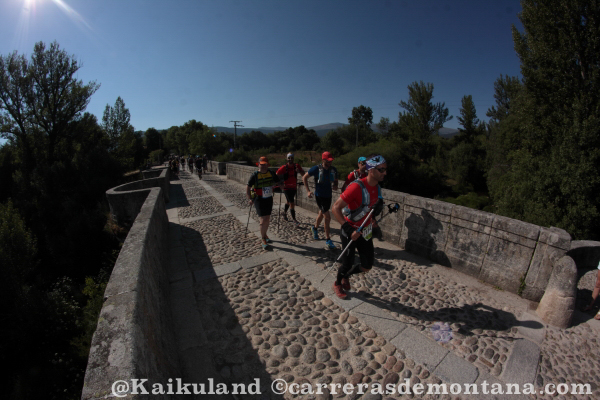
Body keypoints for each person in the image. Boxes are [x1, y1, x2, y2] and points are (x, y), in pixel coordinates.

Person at [331, 155, 387, 299]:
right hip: (350, 230)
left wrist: (375, 217)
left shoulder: (377, 187)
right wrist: (349, 229)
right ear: (371, 170)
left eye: (385, 169)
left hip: (365, 231)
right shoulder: (356, 187)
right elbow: (335, 208)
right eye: (381, 169)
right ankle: (337, 283)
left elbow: (372, 208)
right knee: (347, 263)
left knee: (367, 266)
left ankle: (347, 276)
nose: (384, 173)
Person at [302, 151, 339, 250]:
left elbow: (336, 180)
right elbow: (304, 177)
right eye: (328, 161)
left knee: (321, 214)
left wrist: (335, 185)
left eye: (331, 160)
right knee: (327, 217)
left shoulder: (333, 169)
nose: (330, 162)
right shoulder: (316, 169)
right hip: (319, 196)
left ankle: (314, 228)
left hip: (328, 196)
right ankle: (328, 239)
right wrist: (308, 191)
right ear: (323, 160)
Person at [342, 155, 384, 240]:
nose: (364, 165)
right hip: (354, 213)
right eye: (362, 163)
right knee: (351, 243)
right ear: (358, 164)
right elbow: (344, 188)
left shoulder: (367, 176)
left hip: (366, 218)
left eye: (366, 163)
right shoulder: (353, 175)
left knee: (366, 243)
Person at [247, 156, 282, 249]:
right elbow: (248, 187)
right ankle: (263, 239)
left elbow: (278, 181)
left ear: (268, 165)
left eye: (265, 164)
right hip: (259, 199)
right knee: (263, 219)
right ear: (258, 165)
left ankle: (265, 234)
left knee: (267, 218)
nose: (263, 166)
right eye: (262, 165)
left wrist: (281, 185)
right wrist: (250, 198)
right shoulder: (254, 175)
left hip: (268, 198)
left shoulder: (271, 173)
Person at [276, 153, 305, 226]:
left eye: (291, 158)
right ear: (287, 159)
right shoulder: (284, 167)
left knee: (288, 202)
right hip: (286, 188)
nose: (290, 159)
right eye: (289, 158)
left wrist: (299, 171)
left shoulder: (297, 166)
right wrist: (280, 183)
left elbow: (303, 175)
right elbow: (276, 174)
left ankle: (284, 213)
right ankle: (294, 220)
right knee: (292, 202)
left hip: (294, 187)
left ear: (293, 158)